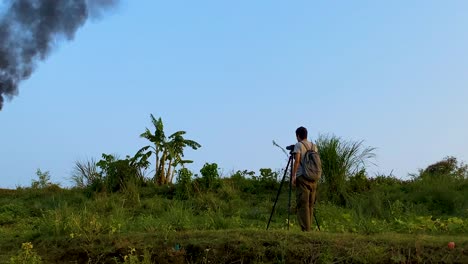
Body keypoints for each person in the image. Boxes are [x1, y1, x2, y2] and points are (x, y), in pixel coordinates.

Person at [291, 126, 318, 232]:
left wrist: (293, 176)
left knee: (303, 204)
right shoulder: (314, 146)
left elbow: (297, 161)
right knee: (311, 204)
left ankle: (305, 229)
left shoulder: (298, 145)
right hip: (313, 177)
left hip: (302, 176)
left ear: (298, 136)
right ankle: (309, 228)